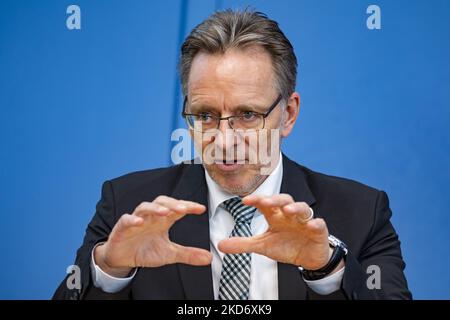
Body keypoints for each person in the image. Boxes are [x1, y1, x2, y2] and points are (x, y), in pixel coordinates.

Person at [53, 9, 411, 300]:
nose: (224, 141)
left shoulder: (362, 212)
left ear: (288, 114)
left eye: (248, 115)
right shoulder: (126, 205)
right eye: (205, 115)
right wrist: (110, 270)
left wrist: (327, 268)